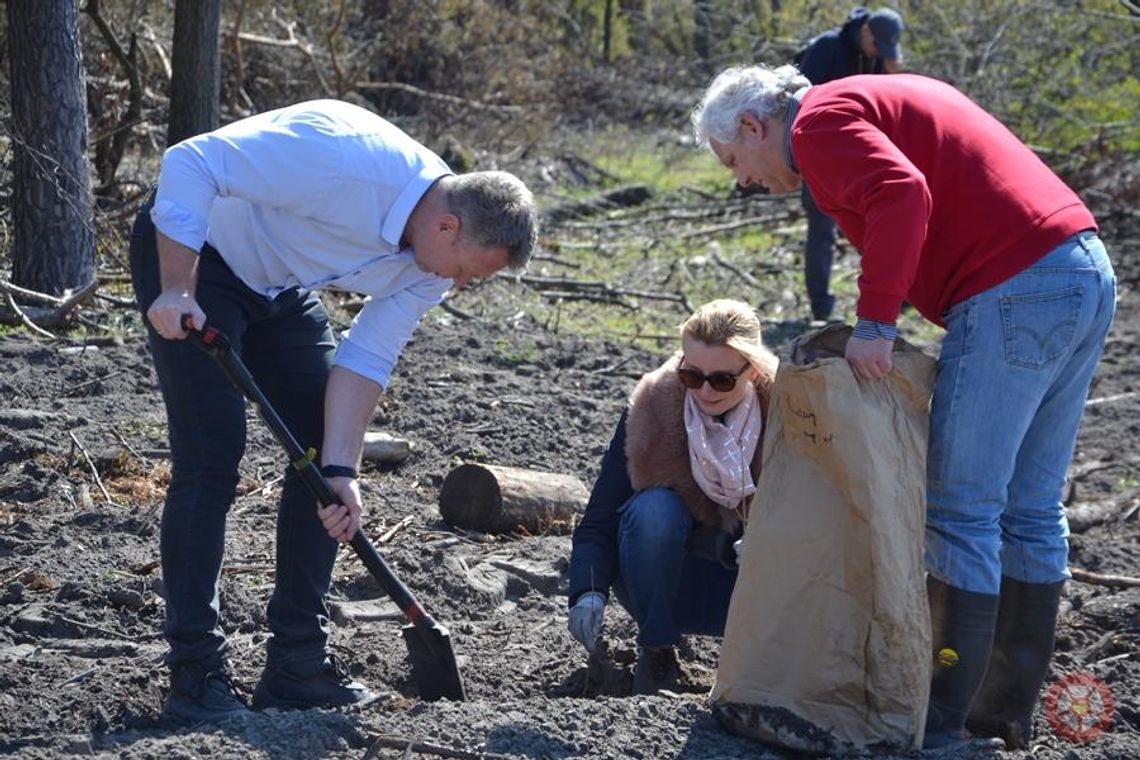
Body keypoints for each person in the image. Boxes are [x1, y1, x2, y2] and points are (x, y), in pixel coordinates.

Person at [691, 66, 1116, 749]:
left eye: (736, 160)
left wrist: (876, 324)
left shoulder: (817, 126)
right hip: (1081, 268)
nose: (742, 178)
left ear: (753, 126)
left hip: (1012, 285)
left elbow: (902, 193)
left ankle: (943, 714)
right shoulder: (862, 100)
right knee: (1031, 506)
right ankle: (1001, 708)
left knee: (961, 508)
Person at [129, 99, 538, 725]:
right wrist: (178, 285)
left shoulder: (431, 263)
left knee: (319, 458)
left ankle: (296, 662)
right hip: (196, 254)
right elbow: (190, 162)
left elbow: (368, 354)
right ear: (448, 228)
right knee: (212, 455)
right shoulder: (342, 157)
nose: (458, 286)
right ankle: (195, 671)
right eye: (465, 274)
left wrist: (342, 470)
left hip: (277, 285)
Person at [567, 299, 778, 695]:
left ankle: (763, 663)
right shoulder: (652, 409)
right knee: (653, 510)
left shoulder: (788, 416)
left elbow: (823, 519)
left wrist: (774, 539)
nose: (704, 390)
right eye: (692, 375)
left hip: (755, 592)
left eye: (721, 380)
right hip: (661, 582)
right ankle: (657, 651)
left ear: (751, 372)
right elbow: (600, 519)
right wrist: (587, 592)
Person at [795, 6, 905, 321]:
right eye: (878, 46)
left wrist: (891, 71)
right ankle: (821, 308)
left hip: (861, 158)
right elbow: (801, 101)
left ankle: (895, 296)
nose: (879, 53)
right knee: (822, 231)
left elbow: (886, 103)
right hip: (819, 156)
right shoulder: (827, 47)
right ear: (866, 31)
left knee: (880, 227)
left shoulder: (877, 57)